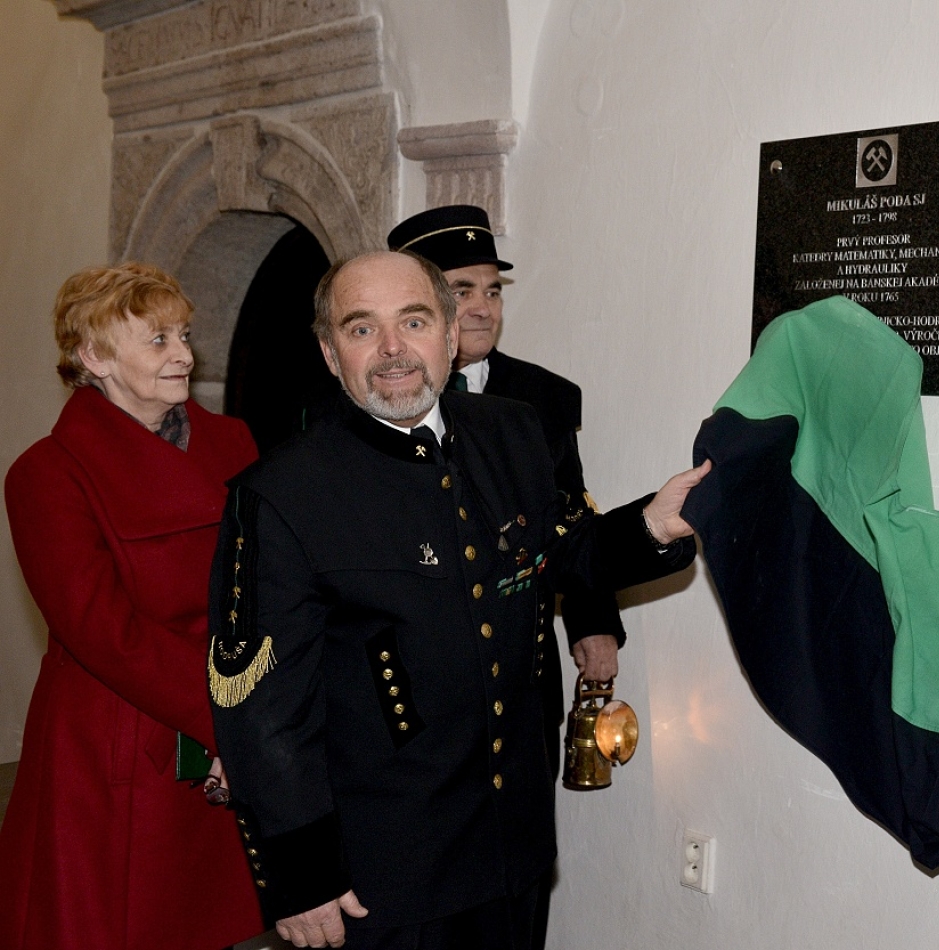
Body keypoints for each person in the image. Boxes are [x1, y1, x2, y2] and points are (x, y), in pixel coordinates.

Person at [208, 250, 707, 949]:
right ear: (329, 353)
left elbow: (561, 550)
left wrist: (650, 525)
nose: (392, 349)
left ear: (448, 335)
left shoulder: (512, 431)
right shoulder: (282, 494)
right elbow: (262, 713)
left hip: (511, 845)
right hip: (380, 874)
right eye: (362, 329)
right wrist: (302, 875)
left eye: (413, 322)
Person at [0, 263, 262, 950]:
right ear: (94, 356)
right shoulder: (47, 475)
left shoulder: (235, 444)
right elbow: (103, 632)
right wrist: (223, 720)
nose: (183, 355)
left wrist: (258, 712)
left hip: (231, 715)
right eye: (157, 340)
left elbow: (271, 586)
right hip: (117, 743)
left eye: (184, 335)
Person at [386, 204, 625, 949]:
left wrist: (593, 623)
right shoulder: (381, 395)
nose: (483, 306)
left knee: (518, 866)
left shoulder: (540, 396)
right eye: (462, 290)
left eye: (492, 289)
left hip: (521, 674)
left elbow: (570, 518)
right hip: (418, 688)